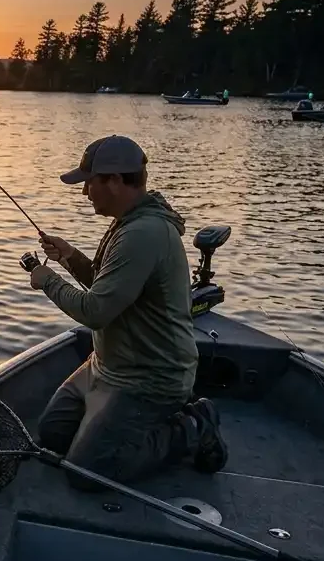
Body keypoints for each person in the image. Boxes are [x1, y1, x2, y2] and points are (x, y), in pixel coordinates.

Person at [25, 135, 227, 490]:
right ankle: (106, 423)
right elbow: (108, 288)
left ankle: (194, 426)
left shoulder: (143, 233)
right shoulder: (129, 222)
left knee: (85, 473)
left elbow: (96, 311)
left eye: (90, 182)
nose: (85, 192)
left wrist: (48, 281)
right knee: (53, 434)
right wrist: (71, 257)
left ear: (115, 181)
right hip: (106, 367)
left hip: (149, 379)